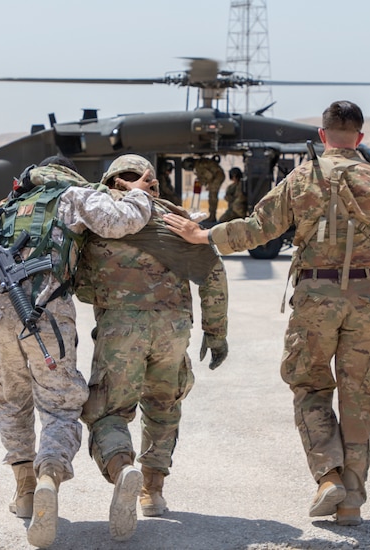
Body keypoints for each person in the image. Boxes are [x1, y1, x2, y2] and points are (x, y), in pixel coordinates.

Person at [164, 101, 370, 527]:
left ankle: (328, 477)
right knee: (359, 395)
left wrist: (205, 235)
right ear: (359, 138)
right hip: (368, 300)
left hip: (314, 299)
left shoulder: (302, 179)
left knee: (310, 387)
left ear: (323, 136)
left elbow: (257, 229)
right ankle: (352, 501)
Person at [0, 155, 157, 548]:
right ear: (68, 173)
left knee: (10, 399)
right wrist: (139, 195)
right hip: (44, 311)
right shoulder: (72, 195)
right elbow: (119, 222)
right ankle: (48, 478)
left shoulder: (14, 203)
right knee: (59, 405)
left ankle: (25, 492)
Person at [74, 154, 229, 542]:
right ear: (153, 185)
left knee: (107, 410)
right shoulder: (175, 220)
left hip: (121, 327)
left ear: (111, 183)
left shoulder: (100, 220)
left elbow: (78, 284)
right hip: (173, 328)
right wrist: (216, 331)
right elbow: (212, 271)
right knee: (164, 404)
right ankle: (152, 490)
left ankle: (124, 467)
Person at [192, 156, 225, 222]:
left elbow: (209, 176)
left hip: (217, 176)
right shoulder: (199, 163)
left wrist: (205, 182)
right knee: (212, 196)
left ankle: (212, 216)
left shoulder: (198, 166)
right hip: (217, 175)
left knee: (212, 196)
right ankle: (212, 216)